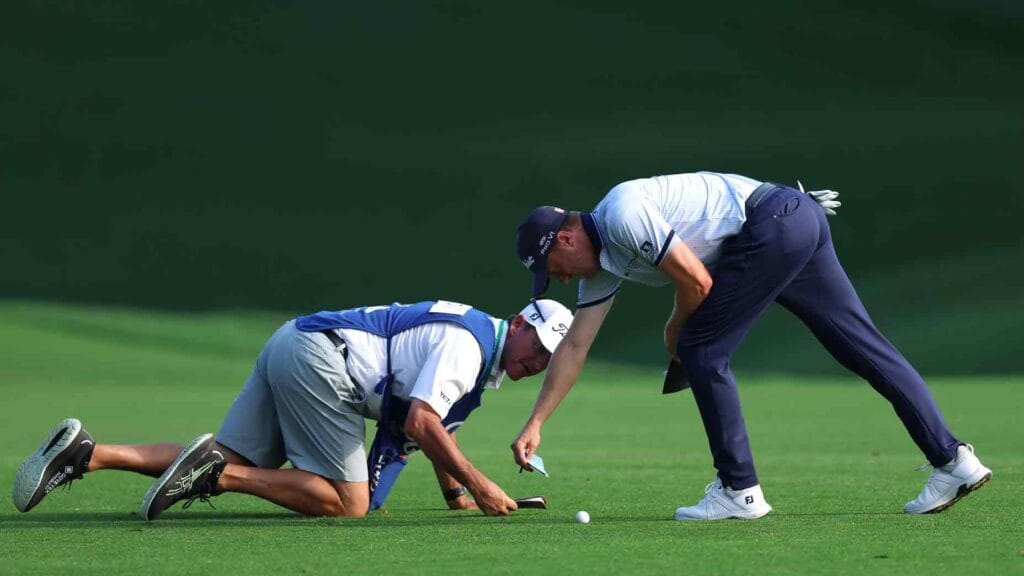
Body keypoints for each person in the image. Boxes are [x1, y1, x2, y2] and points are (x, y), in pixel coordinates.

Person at [511, 171, 991, 520]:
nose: (559, 277)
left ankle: (739, 491)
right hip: (792, 218)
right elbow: (574, 346)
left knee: (702, 350)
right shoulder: (603, 266)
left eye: (552, 267)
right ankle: (954, 461)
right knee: (861, 347)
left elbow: (697, 282)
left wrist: (675, 333)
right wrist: (536, 421)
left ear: (568, 237)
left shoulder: (620, 215)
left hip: (773, 224)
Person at [13, 298, 574, 520]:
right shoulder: (470, 344)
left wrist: (455, 495)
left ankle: (88, 454)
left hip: (297, 342)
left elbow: (430, 428)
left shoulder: (478, 345)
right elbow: (423, 421)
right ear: (521, 322)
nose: (539, 362)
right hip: (324, 365)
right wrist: (480, 486)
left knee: (226, 450)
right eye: (540, 347)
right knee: (349, 503)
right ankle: (219, 478)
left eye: (549, 358)